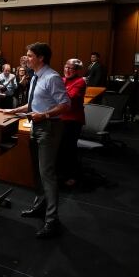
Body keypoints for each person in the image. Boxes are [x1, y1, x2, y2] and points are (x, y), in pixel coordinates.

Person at [0, 42, 70, 239]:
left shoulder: (52, 77)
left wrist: (45, 116)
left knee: (47, 173)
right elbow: (33, 104)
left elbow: (65, 104)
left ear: (41, 58)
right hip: (36, 126)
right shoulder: (35, 77)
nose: (26, 58)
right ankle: (40, 207)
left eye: (30, 56)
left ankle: (52, 220)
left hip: (49, 127)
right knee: (37, 172)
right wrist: (13, 110)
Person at [57, 59, 86, 188]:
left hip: (73, 120)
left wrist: (56, 92)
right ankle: (61, 173)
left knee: (69, 148)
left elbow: (69, 98)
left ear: (77, 70)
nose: (68, 70)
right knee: (60, 148)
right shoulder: (62, 80)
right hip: (60, 118)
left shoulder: (80, 81)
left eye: (71, 68)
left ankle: (72, 176)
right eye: (66, 67)